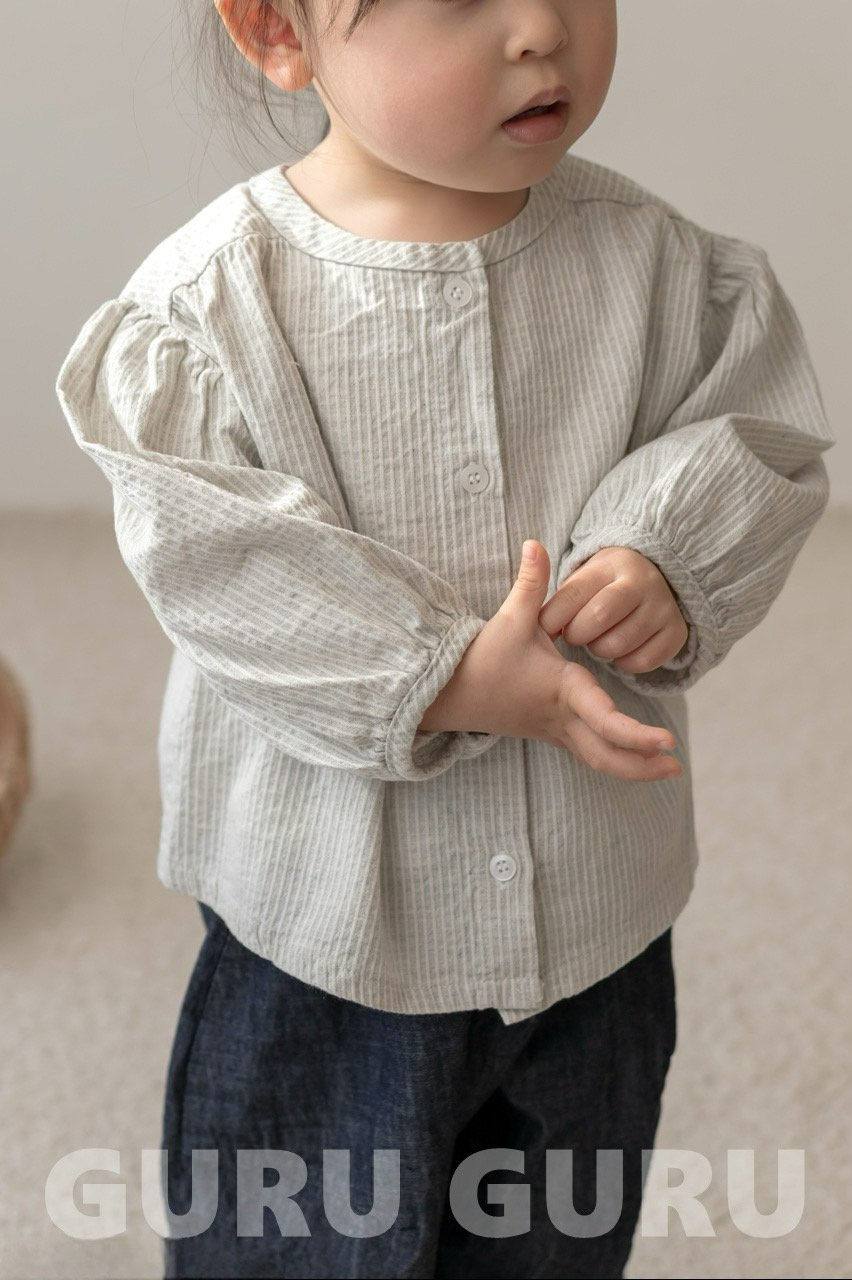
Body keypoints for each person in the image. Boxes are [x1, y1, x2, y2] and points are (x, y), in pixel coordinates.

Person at [54, 1, 835, 1276]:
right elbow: (219, 556)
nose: (540, 29)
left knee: (558, 1234)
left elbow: (748, 424)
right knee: (298, 1242)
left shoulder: (658, 266)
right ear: (278, 31)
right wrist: (445, 673)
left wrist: (665, 553)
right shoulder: (214, 306)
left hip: (595, 918)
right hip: (329, 940)